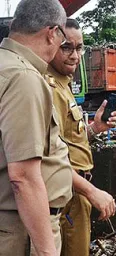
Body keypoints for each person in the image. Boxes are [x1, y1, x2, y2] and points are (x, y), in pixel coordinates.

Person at [0, 0, 70, 255]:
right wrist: (46, 250)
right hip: (21, 229)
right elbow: (24, 178)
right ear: (52, 33)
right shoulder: (23, 78)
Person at [48, 18, 116, 256]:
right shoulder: (48, 89)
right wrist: (91, 191)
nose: (74, 55)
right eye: (67, 47)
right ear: (51, 43)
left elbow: (66, 140)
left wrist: (94, 128)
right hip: (66, 194)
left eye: (79, 48)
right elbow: (47, 160)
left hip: (75, 192)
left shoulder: (64, 84)